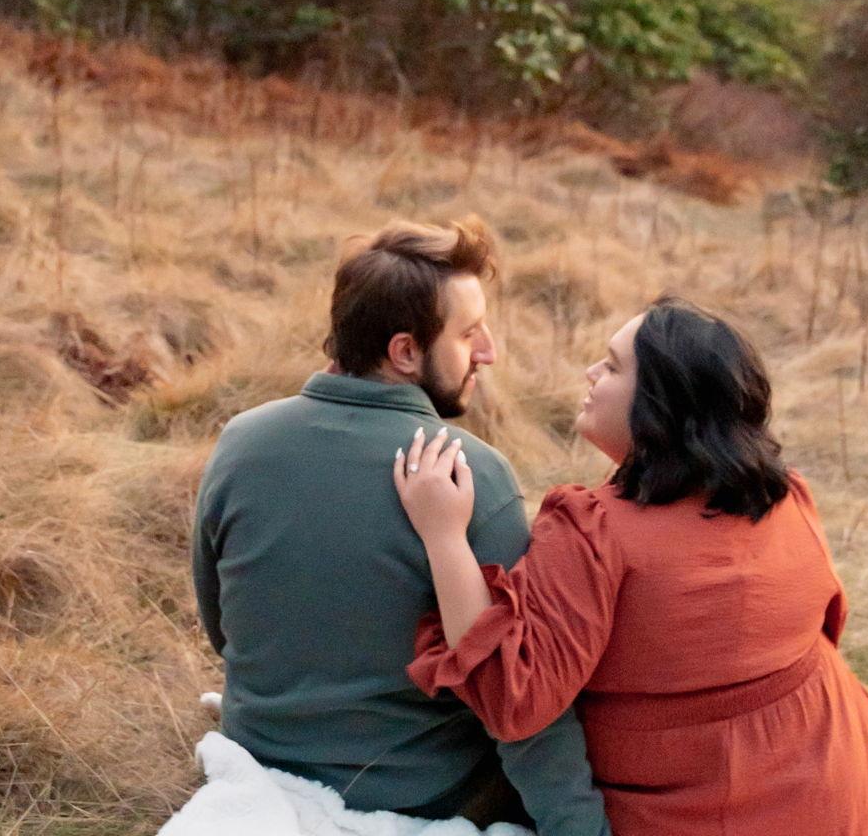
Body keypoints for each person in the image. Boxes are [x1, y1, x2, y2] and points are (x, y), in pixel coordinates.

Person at [393, 296, 868, 836]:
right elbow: (826, 624)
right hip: (851, 779)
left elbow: (513, 700)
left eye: (612, 366)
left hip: (710, 812)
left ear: (661, 403)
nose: (591, 373)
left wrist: (444, 537)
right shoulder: (787, 495)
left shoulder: (594, 531)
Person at [192, 217, 611, 835]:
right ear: (406, 352)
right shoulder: (474, 476)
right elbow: (520, 702)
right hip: (418, 795)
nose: (488, 351)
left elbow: (222, 629)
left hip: (262, 759)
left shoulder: (239, 442)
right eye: (468, 334)